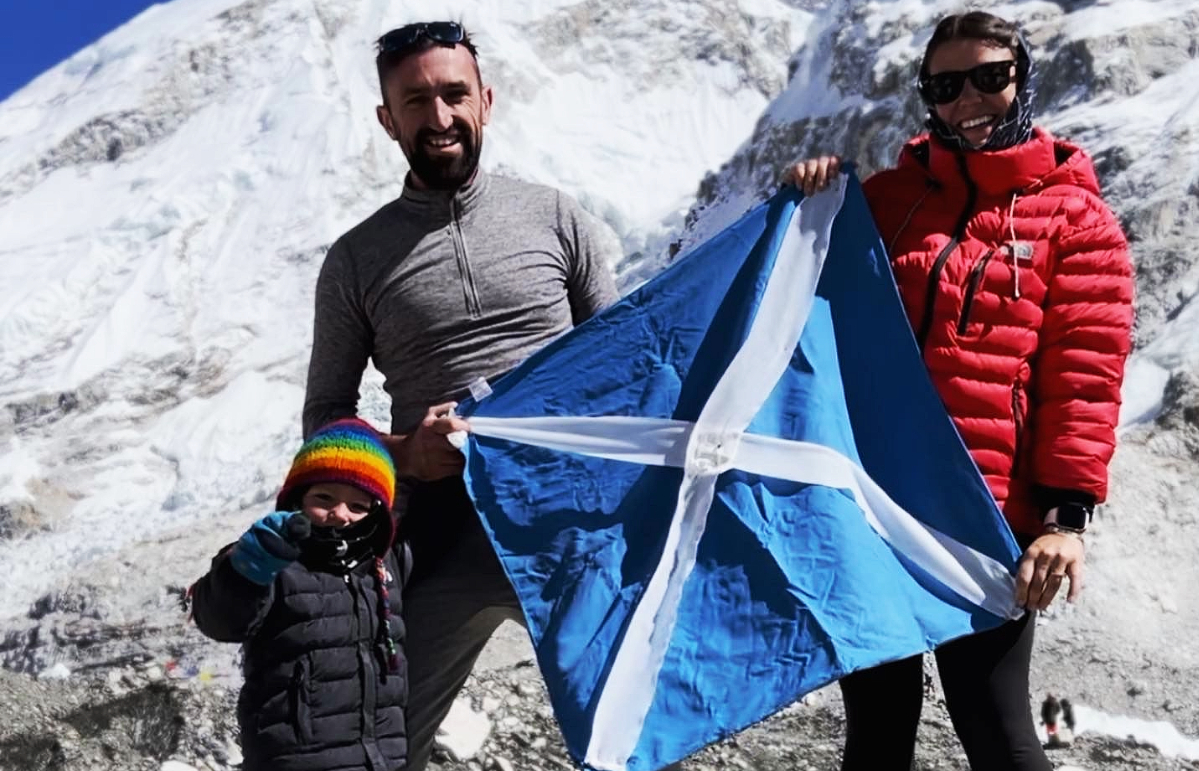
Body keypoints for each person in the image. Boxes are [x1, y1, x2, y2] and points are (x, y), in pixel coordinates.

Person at [784, 11, 1133, 771]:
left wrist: (1064, 517)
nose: (968, 99)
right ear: (926, 96)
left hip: (989, 519)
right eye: (946, 85)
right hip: (874, 506)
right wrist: (806, 192)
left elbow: (1083, 378)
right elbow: (798, 304)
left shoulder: (1075, 219)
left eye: (988, 77)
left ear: (1021, 80)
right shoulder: (884, 199)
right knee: (874, 733)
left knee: (996, 730)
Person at [301, 21, 622, 770]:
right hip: (439, 534)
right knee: (373, 744)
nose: (439, 117)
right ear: (388, 120)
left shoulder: (555, 217)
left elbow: (626, 362)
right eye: (416, 101)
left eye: (453, 95)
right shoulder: (354, 261)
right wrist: (406, 451)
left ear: (486, 100)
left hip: (575, 523)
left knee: (627, 730)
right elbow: (325, 421)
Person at [190, 418, 409, 771]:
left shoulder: (382, 568)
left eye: (358, 505)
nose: (340, 514)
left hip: (381, 759)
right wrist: (244, 570)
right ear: (297, 498)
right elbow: (219, 620)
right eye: (324, 497)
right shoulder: (269, 557)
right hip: (295, 760)